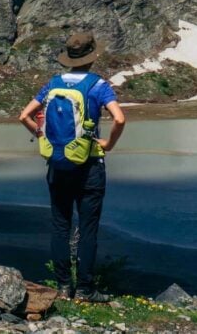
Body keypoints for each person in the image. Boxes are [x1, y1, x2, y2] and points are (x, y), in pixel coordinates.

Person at [19, 31, 126, 302]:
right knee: (88, 227)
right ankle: (86, 289)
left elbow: (24, 115)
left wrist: (42, 135)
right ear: (93, 56)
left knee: (60, 225)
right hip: (89, 165)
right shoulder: (98, 85)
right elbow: (120, 119)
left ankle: (64, 286)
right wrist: (108, 144)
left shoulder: (53, 83)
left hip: (57, 164)